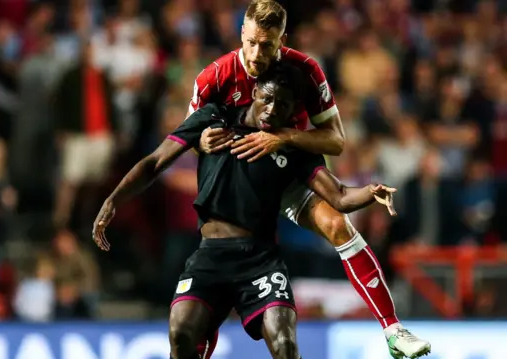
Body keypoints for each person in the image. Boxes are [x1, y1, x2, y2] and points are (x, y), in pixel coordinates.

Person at [93, 63, 402, 359]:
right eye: (267, 99)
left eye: (282, 105)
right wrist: (113, 199)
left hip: (260, 260)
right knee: (181, 335)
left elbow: (340, 196)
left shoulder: (293, 148)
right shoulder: (214, 118)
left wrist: (371, 192)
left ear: (293, 110)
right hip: (211, 255)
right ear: (254, 92)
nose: (272, 110)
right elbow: (155, 162)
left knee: (284, 343)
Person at [191, 1, 430, 358]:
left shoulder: (305, 70)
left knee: (338, 223)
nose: (257, 54)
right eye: (252, 42)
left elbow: (334, 139)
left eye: (268, 45)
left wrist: (283, 137)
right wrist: (201, 142)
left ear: (282, 40)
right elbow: (189, 138)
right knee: (220, 273)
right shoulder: (214, 76)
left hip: (287, 168)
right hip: (237, 180)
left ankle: (394, 331)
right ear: (241, 32)